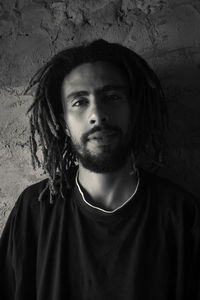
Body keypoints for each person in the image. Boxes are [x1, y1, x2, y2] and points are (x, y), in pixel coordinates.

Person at [0, 39, 199, 300]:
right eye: (80, 102)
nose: (97, 114)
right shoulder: (34, 211)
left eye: (112, 97)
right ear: (63, 123)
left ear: (133, 110)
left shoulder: (181, 215)